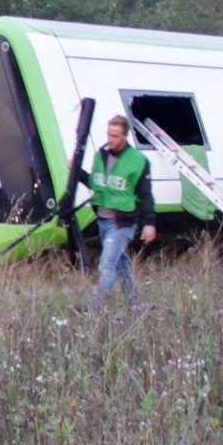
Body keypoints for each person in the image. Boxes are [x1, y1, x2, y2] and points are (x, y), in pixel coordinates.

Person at [80, 115, 155, 311]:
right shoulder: (101, 155)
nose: (111, 139)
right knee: (121, 264)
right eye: (109, 134)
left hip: (123, 222)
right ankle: (136, 304)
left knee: (107, 264)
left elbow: (146, 195)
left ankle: (94, 310)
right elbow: (96, 183)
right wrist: (76, 172)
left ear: (125, 136)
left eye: (115, 135)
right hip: (103, 221)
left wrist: (149, 223)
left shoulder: (138, 161)